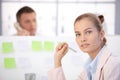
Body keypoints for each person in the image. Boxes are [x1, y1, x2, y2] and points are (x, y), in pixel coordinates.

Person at [48, 13, 120, 80]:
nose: (82, 39)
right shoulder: (88, 69)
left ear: (101, 34)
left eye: (88, 32)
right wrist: (57, 60)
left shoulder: (113, 65)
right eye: (78, 34)